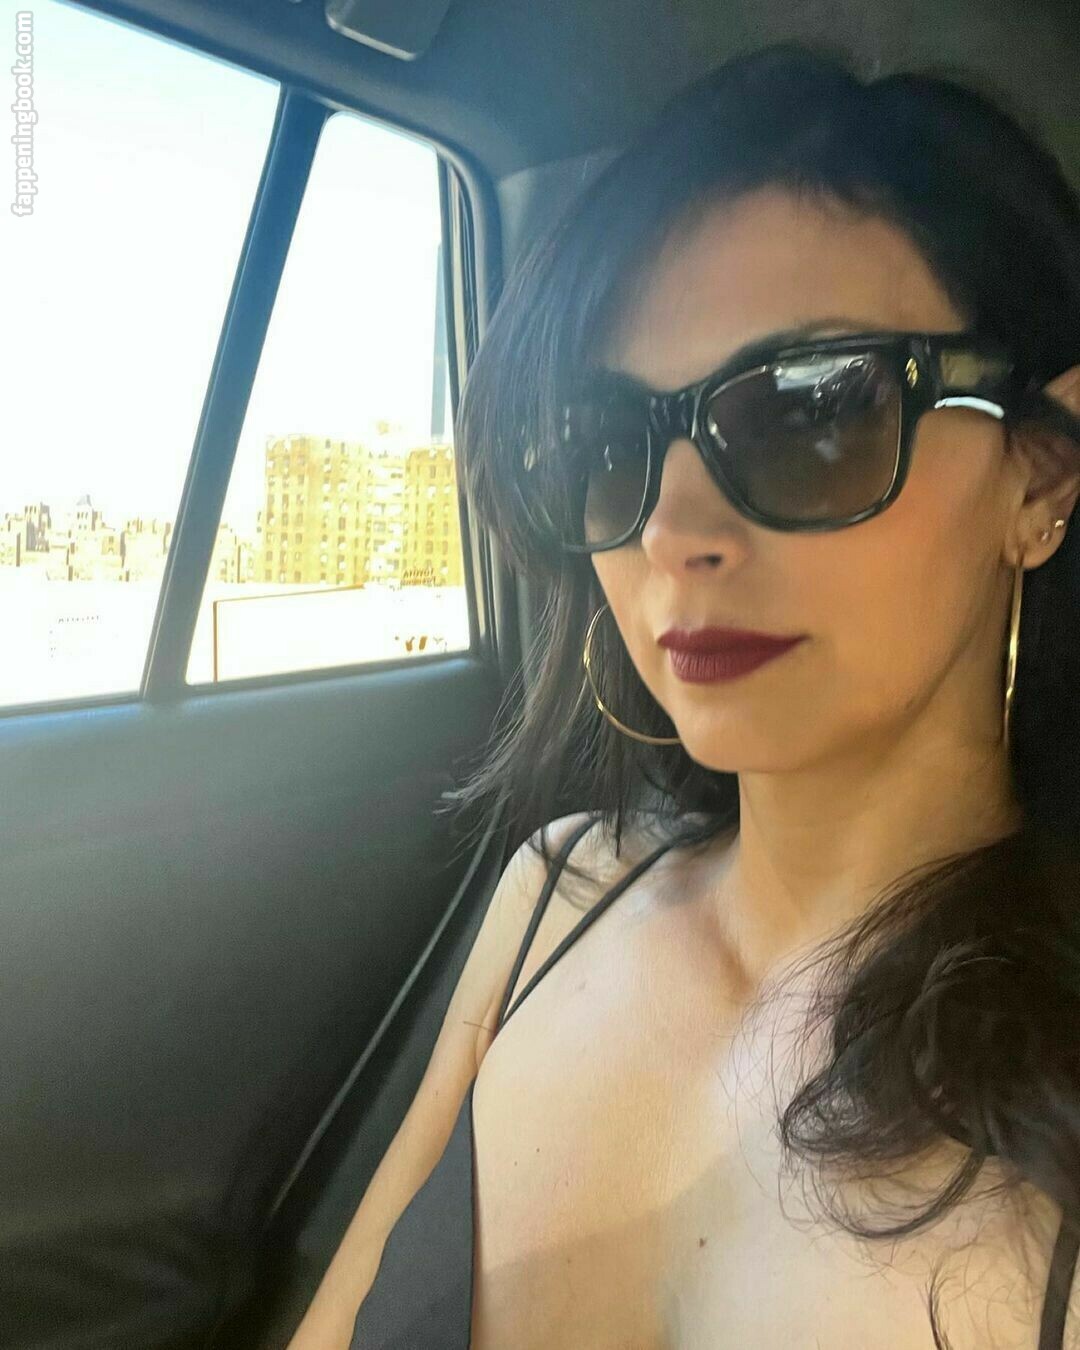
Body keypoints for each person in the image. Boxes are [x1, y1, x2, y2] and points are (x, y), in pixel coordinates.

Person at [293, 42, 1080, 1349]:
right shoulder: (552, 897)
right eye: (610, 443)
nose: (671, 528)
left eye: (811, 413)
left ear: (1040, 478)